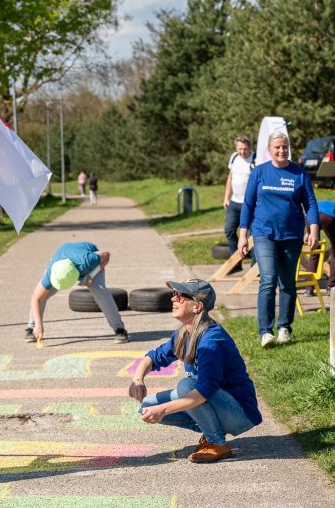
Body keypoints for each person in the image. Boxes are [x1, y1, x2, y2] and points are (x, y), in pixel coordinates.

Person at [129, 278, 261, 463]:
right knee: (146, 407)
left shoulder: (212, 341)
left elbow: (204, 392)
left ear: (197, 307)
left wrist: (163, 409)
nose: (174, 299)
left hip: (240, 414)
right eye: (175, 294)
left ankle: (217, 443)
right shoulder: (185, 333)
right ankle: (211, 430)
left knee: (187, 385)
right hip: (216, 404)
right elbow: (153, 357)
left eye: (181, 295)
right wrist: (138, 379)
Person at [237, 131, 319, 348]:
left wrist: (314, 230)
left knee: (288, 283)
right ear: (269, 150)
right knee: (268, 280)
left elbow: (310, 204)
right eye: (277, 147)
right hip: (264, 234)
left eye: (285, 147)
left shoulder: (299, 174)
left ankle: (284, 327)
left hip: (291, 236)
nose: (282, 150)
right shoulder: (260, 173)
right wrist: (243, 234)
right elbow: (248, 204)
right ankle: (266, 331)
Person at [26, 241, 127, 343]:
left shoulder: (88, 261)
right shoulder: (52, 271)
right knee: (43, 294)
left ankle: (119, 329)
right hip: (63, 256)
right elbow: (36, 298)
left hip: (86, 259)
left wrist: (91, 275)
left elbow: (106, 255)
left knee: (99, 290)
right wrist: (38, 325)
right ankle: (32, 328)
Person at [303, 200, 335, 293]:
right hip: (328, 216)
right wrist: (331, 251)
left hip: (309, 216)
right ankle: (331, 286)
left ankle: (309, 288)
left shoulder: (334, 205)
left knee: (314, 251)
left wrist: (308, 234)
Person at [222, 135, 255, 272]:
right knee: (229, 230)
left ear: (250, 147)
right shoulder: (234, 157)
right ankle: (236, 263)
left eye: (245, 149)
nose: (242, 152)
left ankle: (255, 266)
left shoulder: (255, 159)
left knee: (252, 235)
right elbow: (230, 177)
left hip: (252, 204)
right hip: (235, 202)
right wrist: (226, 197)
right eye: (239, 149)